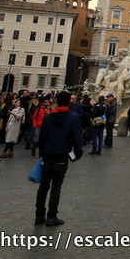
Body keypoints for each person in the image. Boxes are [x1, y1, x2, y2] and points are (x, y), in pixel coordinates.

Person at [34, 92, 83, 225]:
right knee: (56, 188)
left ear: (56, 101)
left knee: (43, 187)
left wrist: (42, 153)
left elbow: (42, 136)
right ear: (68, 102)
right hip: (61, 157)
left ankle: (39, 216)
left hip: (47, 156)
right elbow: (77, 138)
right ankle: (51, 217)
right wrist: (77, 154)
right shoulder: (72, 118)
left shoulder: (49, 117)